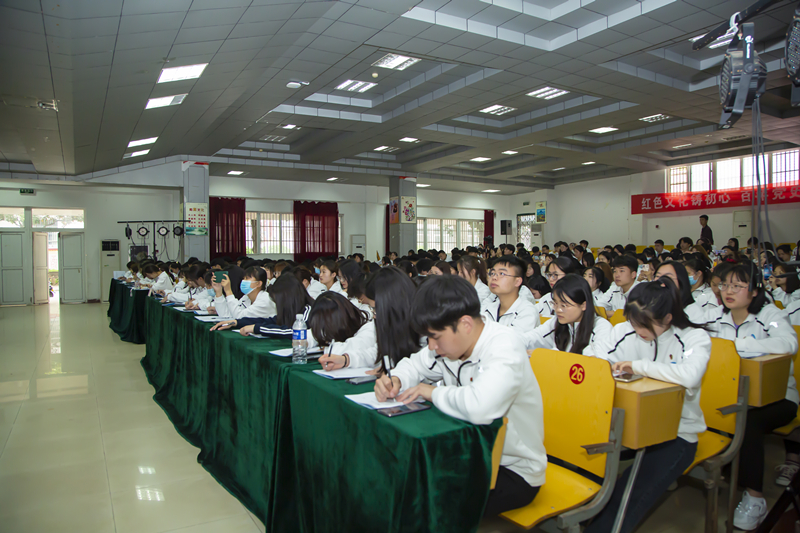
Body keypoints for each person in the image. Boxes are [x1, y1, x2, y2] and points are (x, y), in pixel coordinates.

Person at [374, 275, 546, 516]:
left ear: (466, 324)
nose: (432, 346)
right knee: (394, 477)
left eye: (435, 337)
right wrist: (397, 379)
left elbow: (481, 406)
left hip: (513, 469)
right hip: (465, 455)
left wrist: (431, 391)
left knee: (420, 502)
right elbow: (414, 364)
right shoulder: (448, 344)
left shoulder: (504, 347)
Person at [589, 278, 710, 533]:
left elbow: (690, 375)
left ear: (667, 318)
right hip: (628, 423)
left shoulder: (694, 337)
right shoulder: (625, 330)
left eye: (643, 324)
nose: (636, 329)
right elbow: (596, 358)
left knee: (630, 493)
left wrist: (637, 366)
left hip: (676, 433)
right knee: (582, 461)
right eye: (633, 322)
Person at [704, 264, 799, 530]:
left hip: (777, 398)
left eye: (737, 286)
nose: (728, 291)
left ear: (755, 290)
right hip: (730, 393)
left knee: (748, 418)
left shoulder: (771, 314)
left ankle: (755, 498)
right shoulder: (716, 317)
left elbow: (788, 343)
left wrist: (738, 347)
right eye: (724, 285)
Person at [526, 274, 613, 355]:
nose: (558, 310)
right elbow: (532, 337)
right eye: (555, 303)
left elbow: (597, 363)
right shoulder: (556, 322)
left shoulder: (601, 327)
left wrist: (547, 354)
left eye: (564, 305)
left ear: (583, 305)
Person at [211, 274, 313, 337]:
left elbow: (294, 332)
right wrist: (237, 322)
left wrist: (257, 328)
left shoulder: (309, 310)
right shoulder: (291, 310)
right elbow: (270, 320)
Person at [305, 292, 376, 371]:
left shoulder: (370, 328)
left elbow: (336, 353)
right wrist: (305, 342)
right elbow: (311, 334)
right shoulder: (341, 327)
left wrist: (326, 344)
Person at [481, 256, 541, 340]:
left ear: (517, 281)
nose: (494, 277)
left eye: (502, 274)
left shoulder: (527, 311)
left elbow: (509, 342)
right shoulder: (487, 308)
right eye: (492, 273)